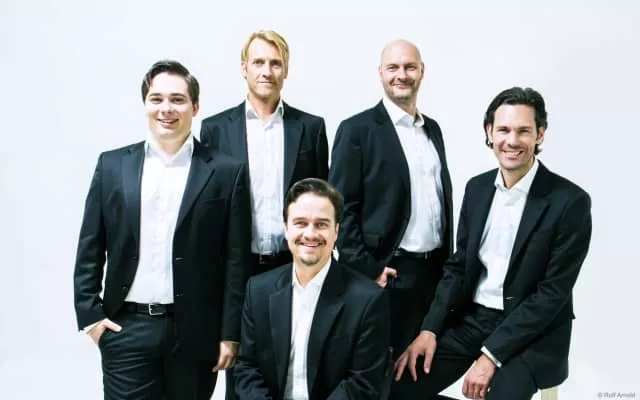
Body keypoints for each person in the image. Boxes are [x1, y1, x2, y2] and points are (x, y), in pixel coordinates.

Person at [393, 87, 592, 400]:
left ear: (540, 134)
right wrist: (429, 329)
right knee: (394, 388)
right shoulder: (478, 188)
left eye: (523, 131)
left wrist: (491, 356)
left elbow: (552, 293)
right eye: (503, 130)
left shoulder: (570, 202)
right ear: (489, 132)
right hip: (475, 319)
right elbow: (458, 267)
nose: (512, 141)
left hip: (533, 331)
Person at [73, 60, 251, 399]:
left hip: (197, 333)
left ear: (195, 107)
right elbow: (90, 246)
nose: (166, 108)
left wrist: (230, 333)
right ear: (145, 104)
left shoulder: (227, 172)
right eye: (156, 99)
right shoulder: (112, 166)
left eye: (177, 99)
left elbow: (235, 260)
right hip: (127, 327)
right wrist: (91, 317)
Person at [328, 39, 453, 397]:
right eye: (393, 68)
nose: (402, 75)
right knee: (377, 380)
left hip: (431, 276)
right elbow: (341, 210)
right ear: (380, 73)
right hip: (387, 276)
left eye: (410, 67)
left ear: (422, 72)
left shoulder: (432, 130)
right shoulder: (357, 130)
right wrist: (368, 270)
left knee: (415, 381)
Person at [234, 178, 391, 400]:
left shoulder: (368, 300)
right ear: (286, 228)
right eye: (300, 223)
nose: (310, 234)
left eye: (321, 224)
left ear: (336, 231)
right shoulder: (258, 290)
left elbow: (362, 384)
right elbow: (247, 369)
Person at [200, 29, 329, 277]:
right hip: (235, 266)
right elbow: (210, 204)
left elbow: (323, 200)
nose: (267, 72)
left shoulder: (311, 128)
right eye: (258, 62)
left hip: (294, 263)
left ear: (286, 70)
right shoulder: (216, 130)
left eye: (275, 64)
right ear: (244, 68)